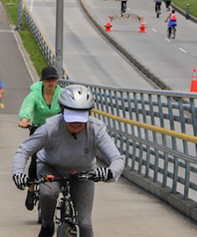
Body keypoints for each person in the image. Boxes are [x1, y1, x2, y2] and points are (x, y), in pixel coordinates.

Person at [12, 85, 125, 237]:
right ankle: (47, 224)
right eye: (72, 118)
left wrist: (109, 173)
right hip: (51, 167)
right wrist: (18, 173)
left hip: (84, 172)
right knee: (47, 193)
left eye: (81, 118)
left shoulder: (96, 129)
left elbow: (117, 159)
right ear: (63, 112)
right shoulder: (51, 127)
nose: (76, 124)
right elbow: (24, 149)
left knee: (85, 223)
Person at [18, 66, 63, 211]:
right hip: (38, 130)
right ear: (42, 81)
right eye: (48, 79)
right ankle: (31, 190)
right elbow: (27, 108)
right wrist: (24, 120)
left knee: (63, 160)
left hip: (57, 132)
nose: (51, 82)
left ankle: (65, 192)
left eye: (54, 79)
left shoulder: (62, 94)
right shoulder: (35, 94)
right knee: (35, 160)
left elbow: (69, 108)